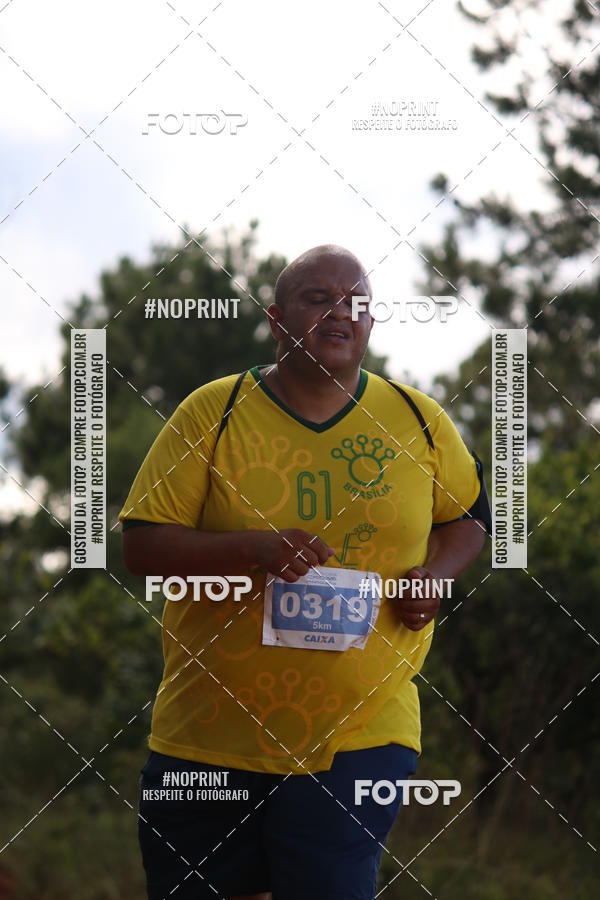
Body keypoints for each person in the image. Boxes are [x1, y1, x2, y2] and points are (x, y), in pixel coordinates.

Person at [120, 245, 492, 900]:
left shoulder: (419, 420)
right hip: (207, 736)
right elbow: (144, 545)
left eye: (355, 300)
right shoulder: (214, 411)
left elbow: (470, 518)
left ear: (372, 322)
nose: (338, 312)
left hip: (361, 731)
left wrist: (436, 574)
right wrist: (253, 549)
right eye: (317, 299)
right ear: (277, 319)